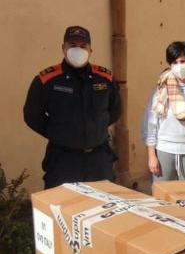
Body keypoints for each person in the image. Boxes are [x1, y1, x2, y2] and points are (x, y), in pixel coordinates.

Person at [24, 26, 121, 189]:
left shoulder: (105, 78)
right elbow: (32, 115)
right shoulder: (47, 80)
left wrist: (95, 128)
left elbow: (115, 110)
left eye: (83, 46)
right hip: (63, 160)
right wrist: (57, 132)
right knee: (60, 203)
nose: (78, 50)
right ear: (63, 48)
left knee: (102, 202)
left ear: (90, 50)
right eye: (73, 45)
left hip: (98, 160)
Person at [142, 41, 185, 181]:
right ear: (170, 65)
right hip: (165, 150)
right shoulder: (160, 89)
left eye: (182, 61)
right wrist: (152, 156)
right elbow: (150, 124)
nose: (179, 66)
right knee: (163, 193)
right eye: (174, 62)